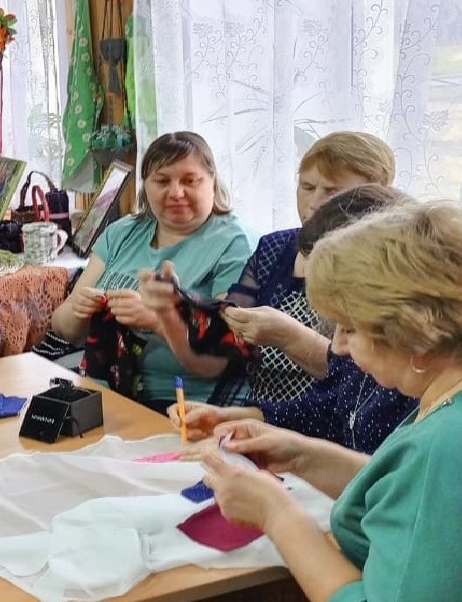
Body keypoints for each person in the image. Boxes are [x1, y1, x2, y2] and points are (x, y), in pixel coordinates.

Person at [177, 200, 462, 602]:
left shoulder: (451, 444)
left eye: (350, 329)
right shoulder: (459, 397)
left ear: (415, 335)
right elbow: (422, 506)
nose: (337, 346)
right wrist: (302, 454)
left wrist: (278, 515)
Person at [143, 132, 396, 405]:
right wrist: (178, 306)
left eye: (332, 191)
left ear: (375, 194)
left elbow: (364, 383)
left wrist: (289, 336)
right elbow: (224, 342)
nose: (315, 202)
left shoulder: (386, 268)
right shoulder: (275, 248)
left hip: (323, 425)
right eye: (307, 186)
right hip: (253, 415)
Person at [164, 186, 419, 454]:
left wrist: (296, 460)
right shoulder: (368, 364)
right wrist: (235, 417)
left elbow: (381, 472)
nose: (336, 346)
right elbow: (323, 411)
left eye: (349, 328)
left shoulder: (420, 399)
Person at [48, 131, 252, 410]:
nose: (176, 192)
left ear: (212, 182)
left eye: (190, 181)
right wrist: (81, 311)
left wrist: (157, 321)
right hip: (109, 393)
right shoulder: (122, 233)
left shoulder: (234, 243)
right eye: (163, 181)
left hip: (188, 405)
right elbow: (62, 326)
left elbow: (231, 350)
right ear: (146, 185)